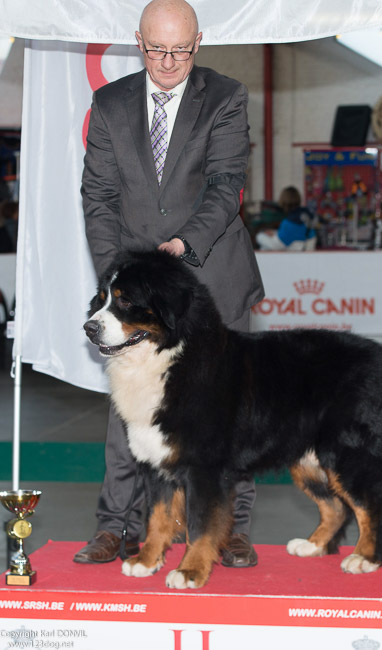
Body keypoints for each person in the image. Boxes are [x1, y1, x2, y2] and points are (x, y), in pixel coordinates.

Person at [75, 0, 264, 568]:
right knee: (129, 407)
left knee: (228, 407)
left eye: (180, 50)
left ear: (198, 42)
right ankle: (118, 526)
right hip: (136, 284)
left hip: (213, 273)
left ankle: (227, 529)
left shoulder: (226, 97)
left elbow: (226, 184)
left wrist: (180, 249)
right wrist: (120, 275)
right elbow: (99, 196)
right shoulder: (109, 104)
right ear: (139, 42)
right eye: (157, 49)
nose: (168, 61)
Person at [256, 186, 317, 251]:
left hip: (295, 248)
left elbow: (278, 244)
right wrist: (275, 232)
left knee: (260, 236)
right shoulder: (306, 213)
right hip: (306, 245)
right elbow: (294, 233)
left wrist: (268, 234)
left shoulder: (289, 222)